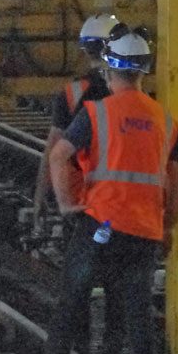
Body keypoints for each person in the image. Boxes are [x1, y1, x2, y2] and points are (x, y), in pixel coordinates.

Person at [40, 30, 178, 354]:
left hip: (100, 225)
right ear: (144, 70)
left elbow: (58, 155)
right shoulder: (166, 121)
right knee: (138, 311)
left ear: (109, 69)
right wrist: (166, 227)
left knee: (72, 302)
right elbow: (176, 183)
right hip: (144, 232)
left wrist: (65, 203)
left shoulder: (96, 113)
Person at [32, 13, 122, 215]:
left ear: (86, 50)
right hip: (124, 199)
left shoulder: (72, 92)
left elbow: (54, 151)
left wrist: (40, 197)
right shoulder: (131, 94)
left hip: (81, 198)